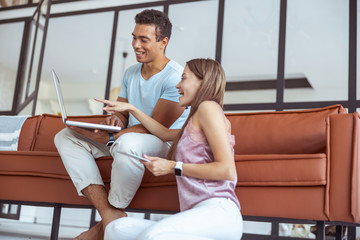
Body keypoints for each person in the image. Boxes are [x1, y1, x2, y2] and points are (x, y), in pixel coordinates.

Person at [54, 9, 188, 240]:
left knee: (127, 142)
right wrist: (114, 121)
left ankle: (103, 226)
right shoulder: (131, 72)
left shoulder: (175, 77)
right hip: (127, 139)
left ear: (163, 42)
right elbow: (122, 114)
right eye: (134, 37)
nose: (136, 44)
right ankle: (110, 214)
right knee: (64, 136)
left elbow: (156, 127)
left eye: (143, 39)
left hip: (162, 142)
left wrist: (111, 137)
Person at [96, 58, 243, 240]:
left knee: (154, 236)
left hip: (218, 212)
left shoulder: (208, 108)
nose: (178, 85)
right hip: (195, 214)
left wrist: (172, 166)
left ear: (202, 82)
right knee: (117, 228)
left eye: (184, 78)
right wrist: (131, 109)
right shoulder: (194, 119)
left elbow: (227, 170)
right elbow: (164, 134)